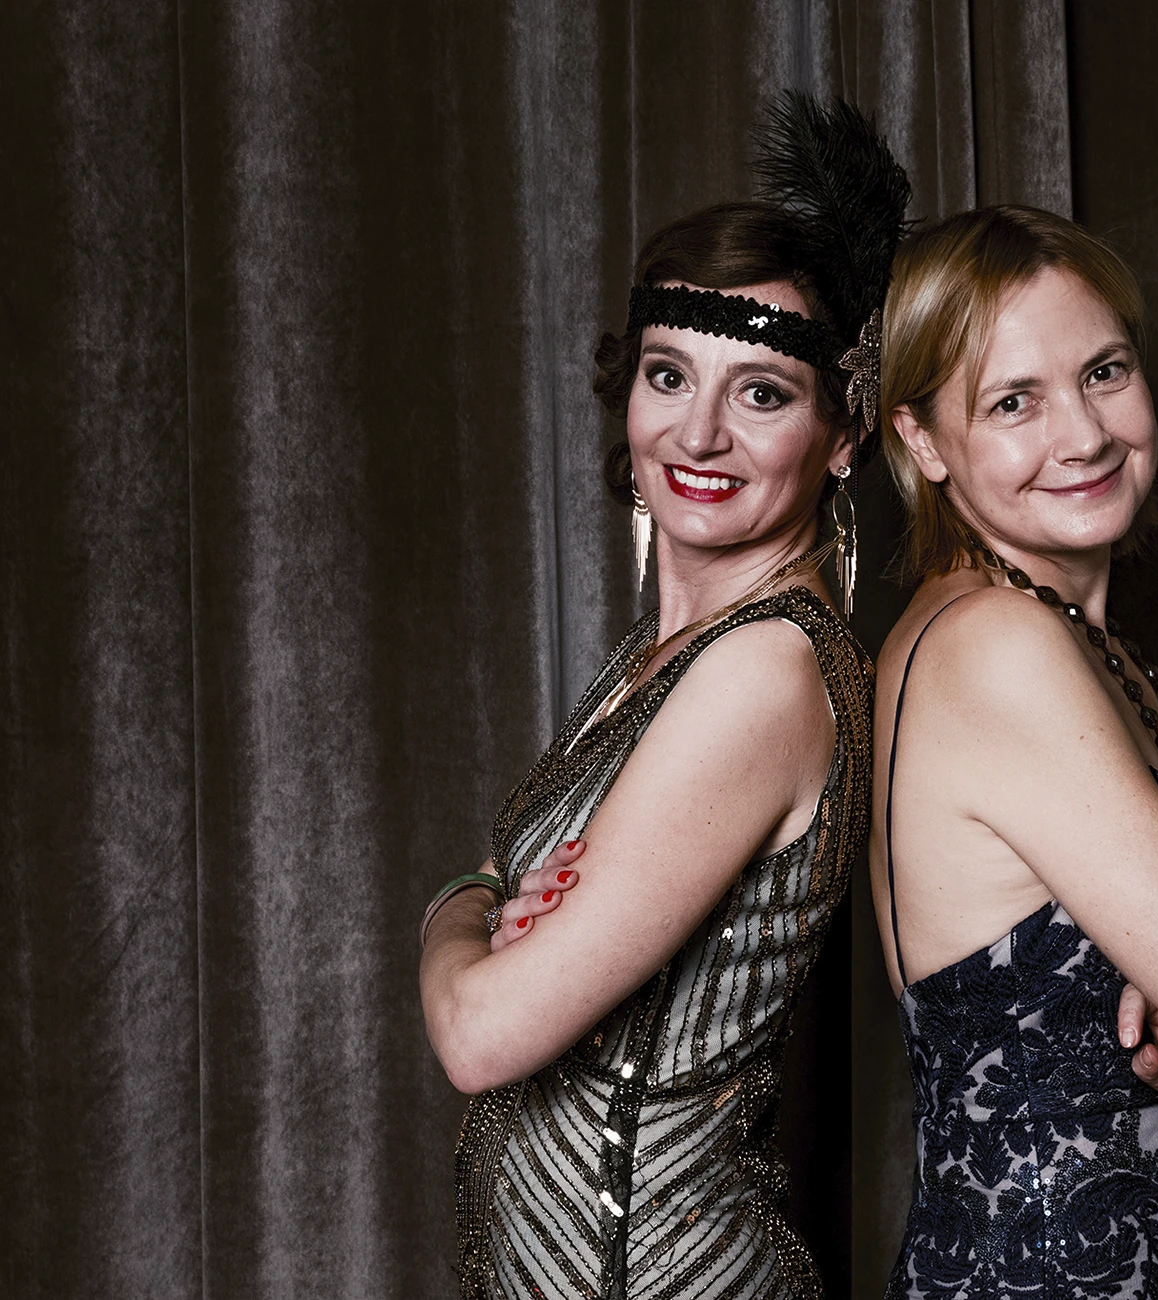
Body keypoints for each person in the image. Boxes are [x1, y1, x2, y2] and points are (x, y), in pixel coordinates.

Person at [418, 97, 909, 1299]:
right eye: (668, 374)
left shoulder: (763, 669)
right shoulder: (667, 648)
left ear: (840, 434)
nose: (699, 431)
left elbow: (484, 1035)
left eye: (762, 393)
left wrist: (451, 911)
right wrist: (486, 911)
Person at [872, 206, 1158, 1299]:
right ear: (924, 442)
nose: (1082, 434)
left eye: (1105, 372)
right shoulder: (996, 647)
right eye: (1014, 401)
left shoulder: (1081, 645)